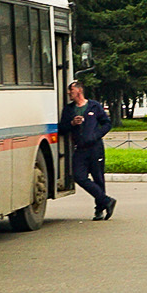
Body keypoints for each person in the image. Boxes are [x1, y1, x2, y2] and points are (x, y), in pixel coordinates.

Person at [60, 80, 116, 219]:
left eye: (71, 91)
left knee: (98, 178)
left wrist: (96, 135)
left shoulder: (94, 106)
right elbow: (61, 128)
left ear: (79, 91)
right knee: (79, 176)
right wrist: (72, 123)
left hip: (95, 148)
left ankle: (99, 210)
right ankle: (107, 201)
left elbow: (107, 124)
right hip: (80, 148)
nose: (69, 93)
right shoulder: (69, 109)